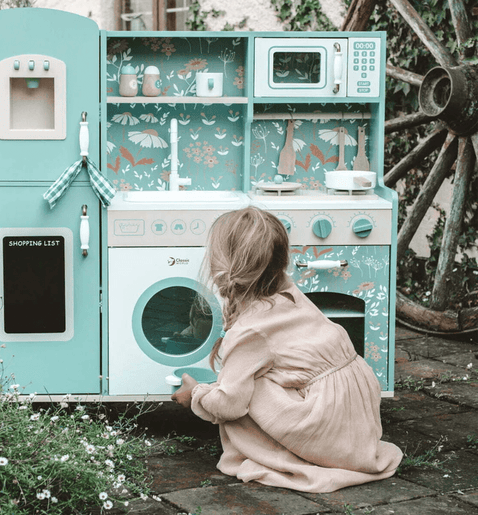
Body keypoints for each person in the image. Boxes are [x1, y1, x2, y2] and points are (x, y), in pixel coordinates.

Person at [171, 206, 402, 493]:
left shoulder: (251, 331)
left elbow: (230, 404)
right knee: (250, 374)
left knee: (243, 387)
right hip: (355, 423)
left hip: (327, 427)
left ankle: (288, 452)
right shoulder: (288, 294)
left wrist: (195, 395)